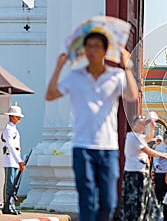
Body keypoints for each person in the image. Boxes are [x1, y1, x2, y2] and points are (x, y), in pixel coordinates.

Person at [45, 31, 139, 221]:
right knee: (87, 199)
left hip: (108, 147)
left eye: (97, 46)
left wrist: (127, 66)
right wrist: (59, 67)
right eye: (88, 46)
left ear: (105, 50)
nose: (92, 50)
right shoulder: (75, 76)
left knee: (109, 202)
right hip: (82, 146)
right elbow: (51, 94)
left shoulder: (116, 75)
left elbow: (132, 96)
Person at [120, 115, 167, 220]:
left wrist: (152, 127)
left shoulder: (139, 137)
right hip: (134, 173)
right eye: (140, 124)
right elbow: (147, 150)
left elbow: (148, 138)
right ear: (133, 125)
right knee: (136, 202)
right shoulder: (132, 136)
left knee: (145, 201)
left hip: (142, 172)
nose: (142, 126)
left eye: (143, 124)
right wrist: (162, 155)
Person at [2, 103, 25, 215]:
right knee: (9, 184)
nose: (19, 118)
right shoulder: (8, 129)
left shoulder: (14, 129)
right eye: (17, 116)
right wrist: (19, 160)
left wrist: (19, 160)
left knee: (15, 184)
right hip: (10, 159)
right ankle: (7, 205)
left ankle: (11, 205)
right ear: (11, 116)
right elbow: (11, 146)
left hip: (15, 160)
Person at [153, 130, 167, 221]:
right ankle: (158, 212)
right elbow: (155, 159)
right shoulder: (159, 148)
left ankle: (166, 213)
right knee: (159, 192)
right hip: (160, 173)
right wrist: (157, 166)